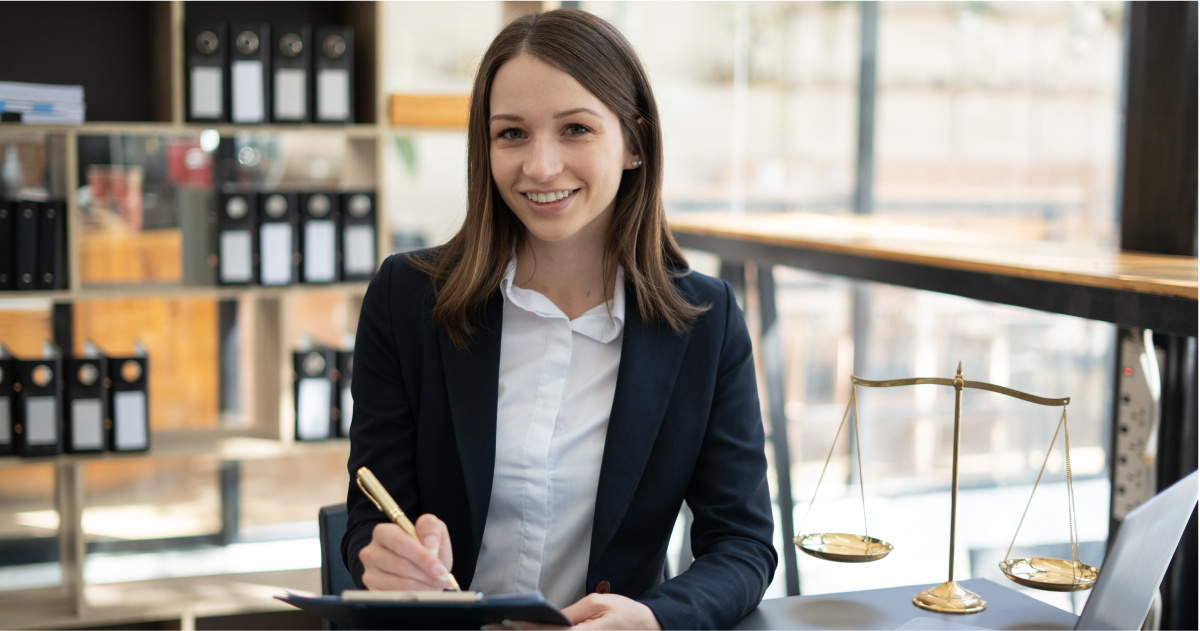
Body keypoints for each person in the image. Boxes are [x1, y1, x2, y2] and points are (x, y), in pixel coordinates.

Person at [343, 8, 777, 629]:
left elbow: (743, 545)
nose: (540, 167)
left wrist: (654, 619)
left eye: (575, 129)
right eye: (511, 134)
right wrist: (377, 556)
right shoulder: (406, 299)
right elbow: (369, 515)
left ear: (634, 143)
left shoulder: (704, 324)